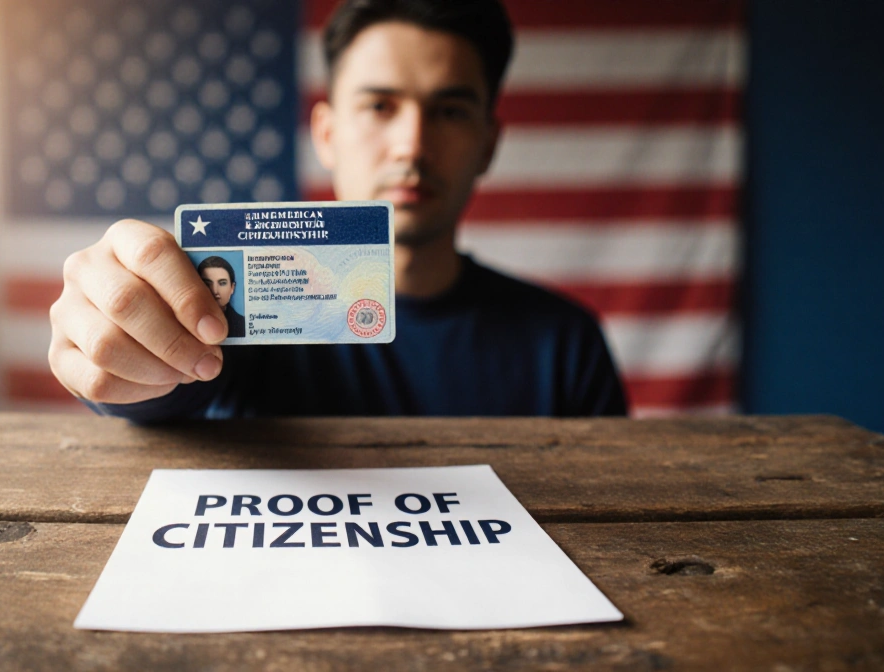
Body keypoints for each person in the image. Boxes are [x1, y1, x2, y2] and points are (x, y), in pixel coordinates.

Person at [47, 0, 627, 420]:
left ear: (489, 144)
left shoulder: (566, 344)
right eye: (380, 106)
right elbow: (161, 397)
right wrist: (125, 332)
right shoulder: (237, 303)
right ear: (325, 133)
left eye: (449, 111)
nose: (412, 145)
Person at [196, 256, 245, 338]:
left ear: (232, 288)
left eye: (222, 283)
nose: (215, 291)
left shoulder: (242, 324)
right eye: (207, 284)